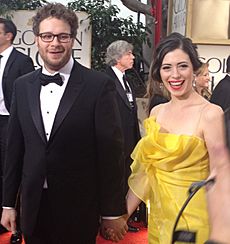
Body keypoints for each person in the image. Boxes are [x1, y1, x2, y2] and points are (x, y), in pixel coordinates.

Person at [0, 3, 128, 244]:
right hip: (33, 205)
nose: (54, 43)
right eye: (47, 36)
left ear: (73, 39)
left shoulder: (98, 86)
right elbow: (14, 149)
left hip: (79, 207)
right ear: (37, 39)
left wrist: (112, 211)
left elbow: (111, 153)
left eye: (62, 36)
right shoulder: (22, 85)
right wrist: (8, 204)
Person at [123, 32, 230, 243]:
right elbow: (145, 171)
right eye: (167, 67)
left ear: (194, 68)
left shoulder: (210, 113)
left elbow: (221, 173)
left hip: (196, 218)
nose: (175, 75)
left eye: (182, 66)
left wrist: (222, 234)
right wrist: (121, 216)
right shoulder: (157, 112)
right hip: (160, 217)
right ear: (159, 72)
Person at [0, 17, 34, 242]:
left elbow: (29, 96)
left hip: (11, 122)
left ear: (8, 36)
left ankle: (17, 226)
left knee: (12, 172)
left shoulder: (22, 61)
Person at [105, 40, 143, 232]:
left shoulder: (127, 80)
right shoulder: (105, 79)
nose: (133, 57)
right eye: (129, 54)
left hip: (129, 140)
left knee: (125, 177)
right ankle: (108, 218)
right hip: (113, 140)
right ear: (118, 57)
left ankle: (121, 218)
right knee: (113, 178)